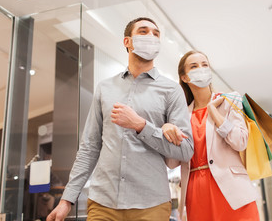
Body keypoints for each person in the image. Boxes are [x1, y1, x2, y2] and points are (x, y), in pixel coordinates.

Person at [47, 17, 194, 221]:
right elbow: (89, 148)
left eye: (156, 33)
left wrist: (142, 126)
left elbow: (186, 150)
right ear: (127, 41)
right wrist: (66, 200)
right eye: (143, 31)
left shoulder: (171, 90)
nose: (151, 36)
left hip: (151, 204)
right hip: (102, 204)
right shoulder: (105, 88)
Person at [164, 50, 259, 221]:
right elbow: (172, 163)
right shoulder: (181, 115)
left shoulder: (230, 100)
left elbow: (240, 142)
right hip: (196, 192)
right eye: (194, 66)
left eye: (204, 65)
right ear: (184, 77)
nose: (201, 69)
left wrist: (214, 112)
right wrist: (168, 132)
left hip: (232, 189)